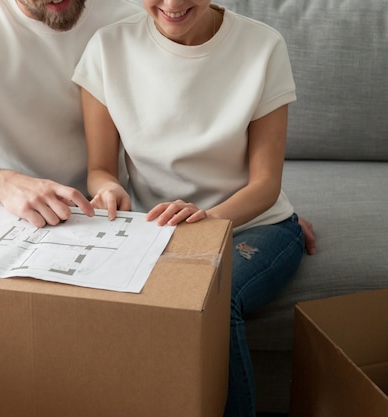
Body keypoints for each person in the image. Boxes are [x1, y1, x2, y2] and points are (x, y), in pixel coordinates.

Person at [0, 0, 317, 253]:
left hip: (102, 217)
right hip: (5, 208)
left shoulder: (137, 14)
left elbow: (201, 101)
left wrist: (262, 220)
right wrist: (3, 183)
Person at [73, 2, 307, 416]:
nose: (173, 4)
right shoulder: (107, 48)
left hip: (255, 225)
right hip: (157, 231)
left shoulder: (262, 46)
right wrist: (108, 189)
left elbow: (266, 185)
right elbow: (100, 169)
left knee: (213, 296)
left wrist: (206, 220)